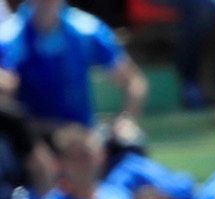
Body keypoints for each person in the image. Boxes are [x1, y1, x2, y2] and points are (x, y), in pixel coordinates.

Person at [0, 0, 147, 128]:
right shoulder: (9, 37)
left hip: (84, 136)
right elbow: (6, 97)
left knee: (130, 145)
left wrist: (126, 122)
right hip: (31, 141)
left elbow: (133, 82)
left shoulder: (86, 30)